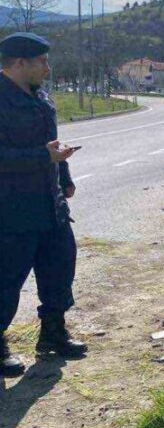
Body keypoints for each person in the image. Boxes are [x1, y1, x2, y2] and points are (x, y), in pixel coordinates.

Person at [0, 32, 87, 378]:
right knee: (7, 279)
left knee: (60, 265)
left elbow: (51, 144)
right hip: (11, 208)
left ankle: (53, 332)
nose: (48, 68)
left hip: (49, 203)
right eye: (42, 62)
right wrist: (42, 157)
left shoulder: (41, 98)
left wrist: (63, 174)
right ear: (20, 63)